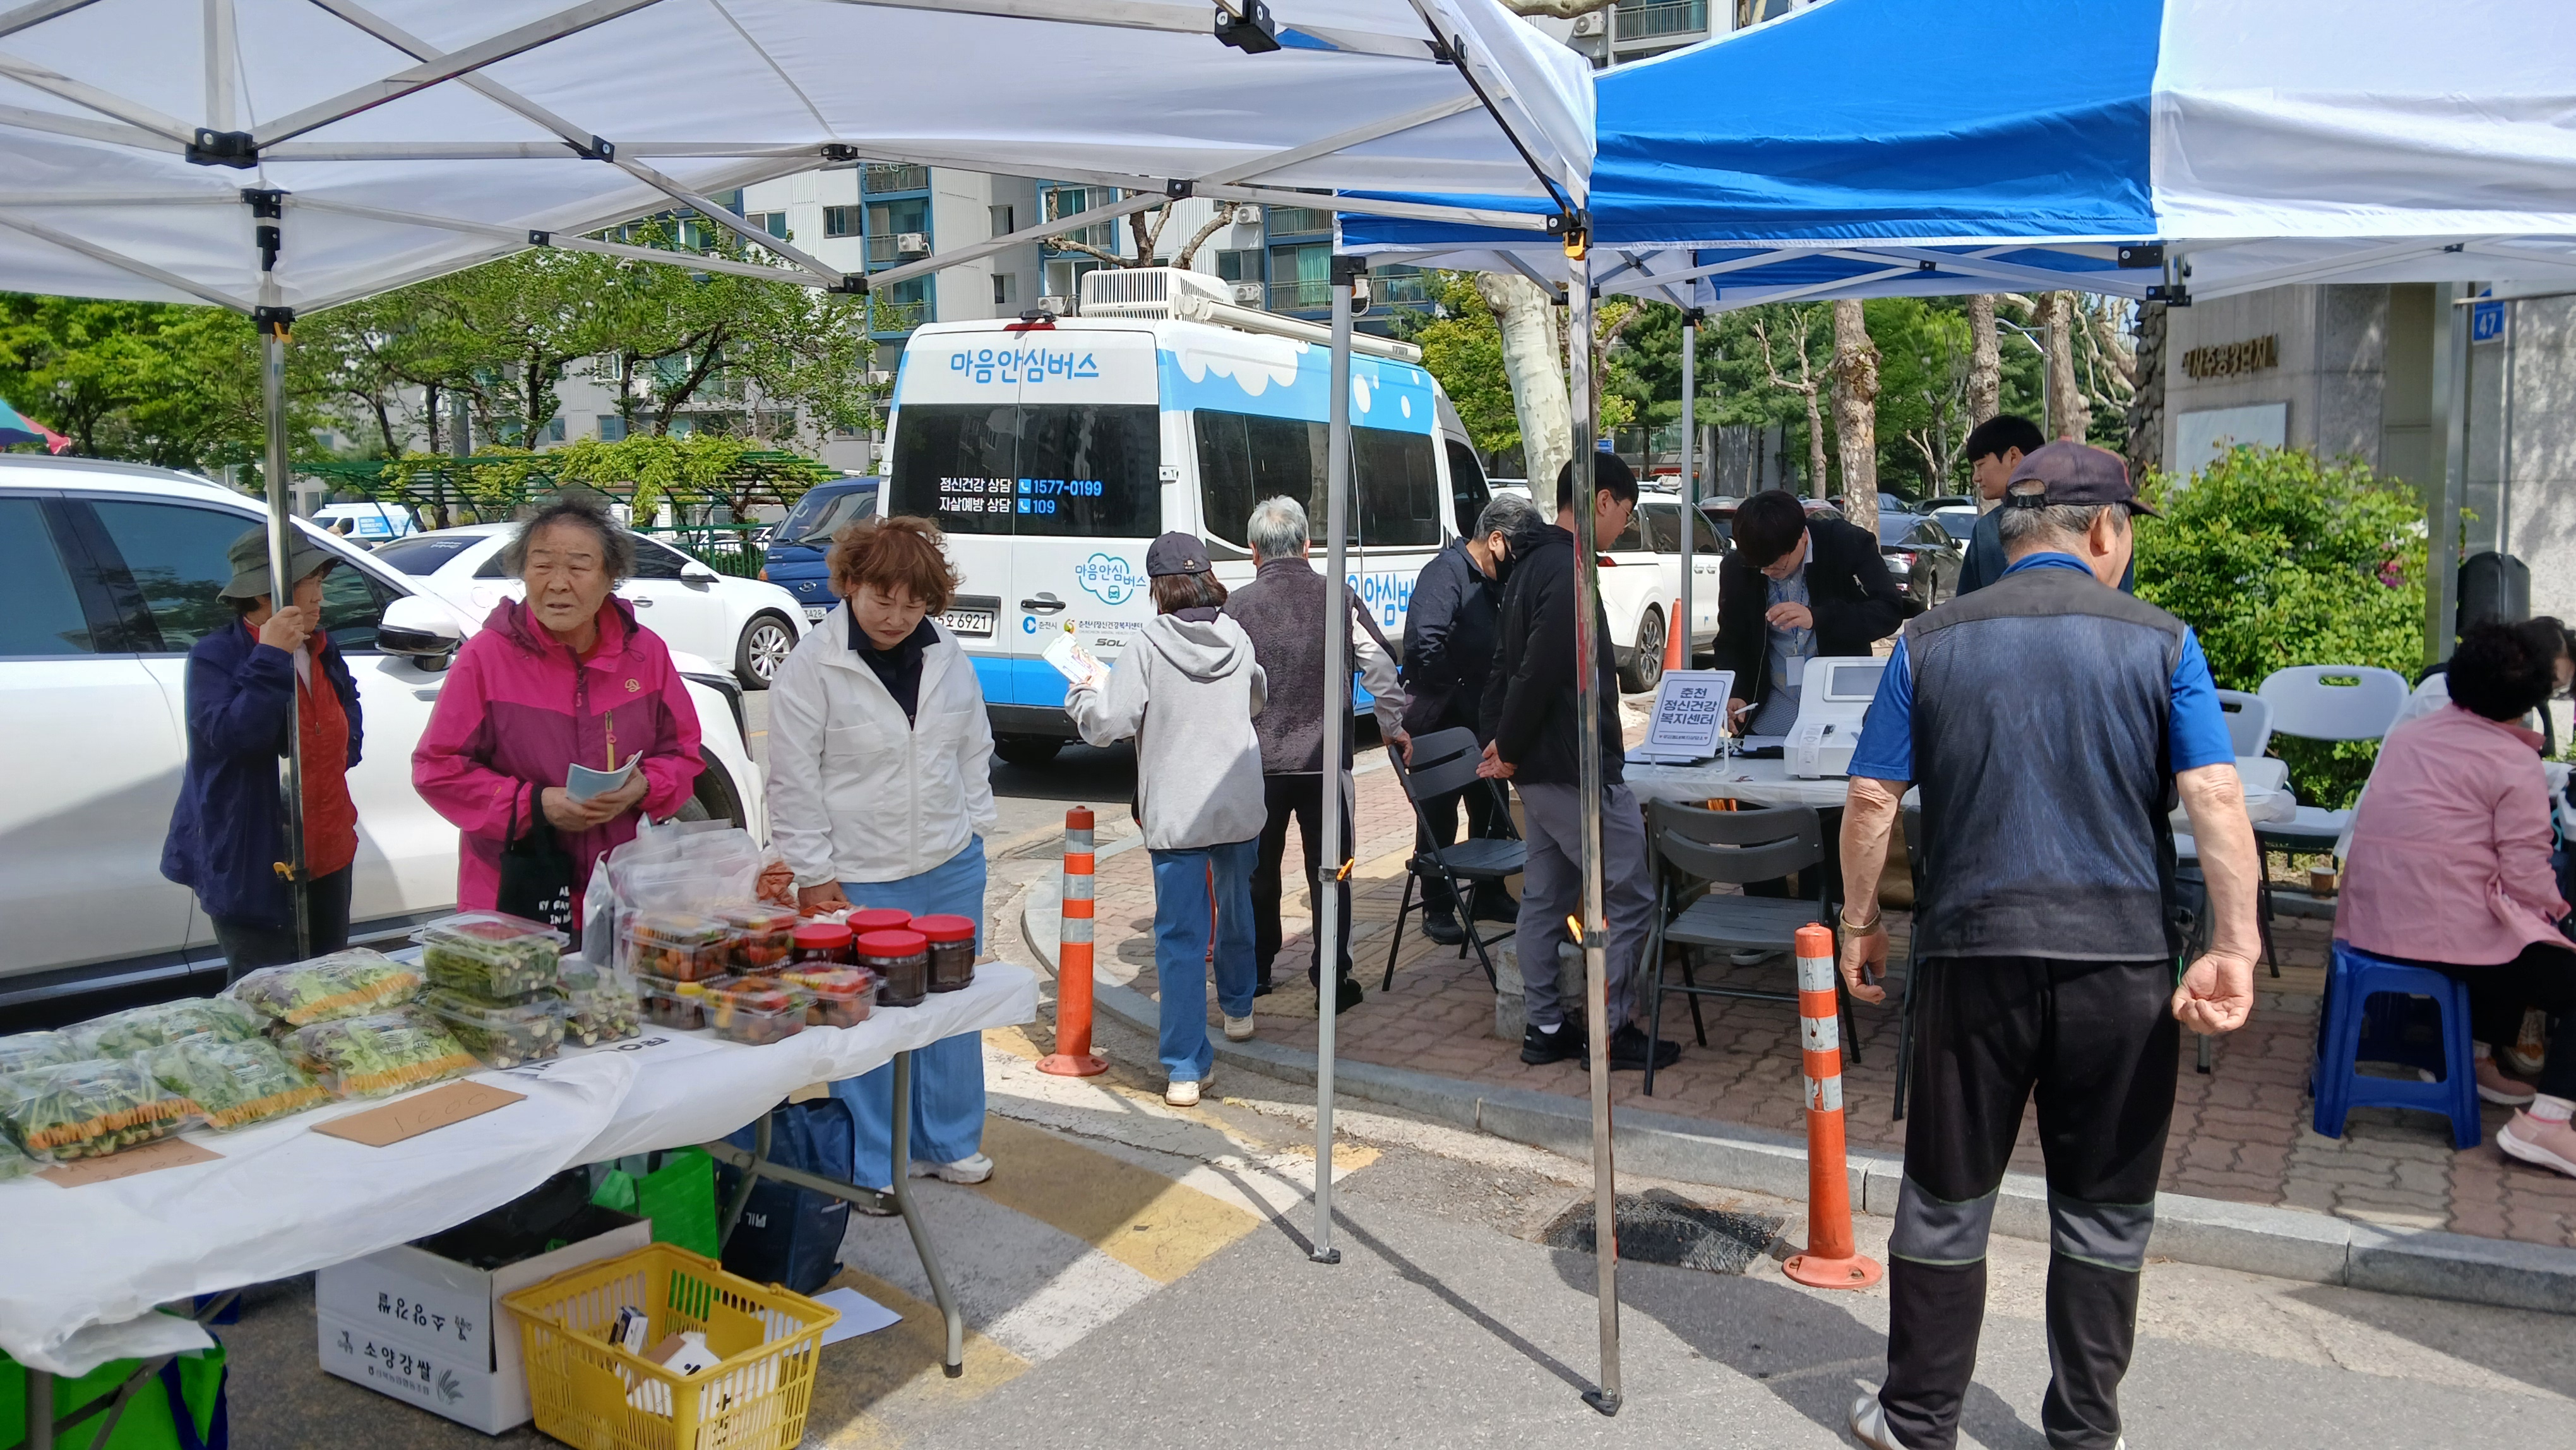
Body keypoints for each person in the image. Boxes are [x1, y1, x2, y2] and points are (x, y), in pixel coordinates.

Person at [1833, 441, 2261, 1450]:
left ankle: (1918, 1420)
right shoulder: (2164, 643)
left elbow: (1870, 798)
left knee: (1945, 1202)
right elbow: (2214, 793)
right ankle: (2083, 1432)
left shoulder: (1928, 640)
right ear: (2106, 529)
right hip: (2121, 965)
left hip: (1972, 957)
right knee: (2105, 1212)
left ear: (2009, 529)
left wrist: (1862, 921)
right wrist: (2235, 943)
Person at [769, 515, 1001, 1189]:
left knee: (950, 1012)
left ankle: (948, 1140)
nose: (896, 617)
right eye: (882, 599)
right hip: (860, 877)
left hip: (949, 863)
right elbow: (792, 780)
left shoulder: (947, 653)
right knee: (863, 1022)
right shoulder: (812, 665)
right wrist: (814, 873)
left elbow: (973, 747)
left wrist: (978, 829)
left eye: (914, 603)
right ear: (849, 584)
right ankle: (871, 1160)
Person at [2337, 619, 2576, 1178]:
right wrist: (2561, 914)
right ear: (2532, 699)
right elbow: (2526, 873)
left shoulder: (2411, 737)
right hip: (2442, 937)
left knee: (2513, 927)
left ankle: (2468, 1058)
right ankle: (2549, 1120)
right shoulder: (2514, 761)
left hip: (2369, 923)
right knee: (2534, 937)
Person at [414, 494, 703, 925]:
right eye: (542, 565)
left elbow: (683, 753)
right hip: (513, 896)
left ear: (610, 578)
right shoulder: (486, 658)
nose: (558, 583)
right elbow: (438, 769)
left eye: (579, 567)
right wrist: (535, 804)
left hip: (623, 891)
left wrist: (644, 787)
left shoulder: (645, 653)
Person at [1479, 454, 1679, 1072]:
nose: (1625, 524)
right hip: (1573, 765)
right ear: (1602, 501)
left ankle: (1544, 1025)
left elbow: (1505, 664)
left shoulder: (1530, 562)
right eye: (1627, 511)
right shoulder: (1567, 568)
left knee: (1547, 895)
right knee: (1631, 893)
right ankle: (1610, 1029)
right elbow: (1539, 670)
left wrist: (1501, 741)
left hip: (1543, 766)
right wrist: (1507, 745)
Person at [1066, 532, 1268, 1107]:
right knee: (1237, 907)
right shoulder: (1237, 636)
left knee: (1180, 938)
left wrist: (1081, 695)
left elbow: (1110, 723)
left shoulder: (1148, 645)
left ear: (1159, 587)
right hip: (1237, 801)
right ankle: (1238, 1009)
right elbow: (1257, 699)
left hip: (1179, 810)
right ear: (1207, 578)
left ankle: (1185, 1067)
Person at [1223, 496, 1408, 1010]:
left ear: (1254, 551)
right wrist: (1391, 725)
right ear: (1307, 546)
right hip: (1325, 762)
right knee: (1332, 871)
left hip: (1257, 764)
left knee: (1259, 872)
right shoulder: (1339, 598)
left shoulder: (1236, 608)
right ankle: (1331, 977)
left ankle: (1258, 971)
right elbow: (1380, 665)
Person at [161, 527, 363, 973]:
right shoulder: (216, 656)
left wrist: (339, 753)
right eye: (307, 583)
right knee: (264, 990)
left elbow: (347, 707)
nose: (319, 597)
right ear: (262, 593)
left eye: (320, 582)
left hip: (326, 847)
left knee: (329, 982)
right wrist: (271, 656)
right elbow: (237, 737)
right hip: (250, 855)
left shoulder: (322, 646)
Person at [1402, 491, 1542, 944]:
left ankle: (1489, 893)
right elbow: (1424, 643)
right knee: (1439, 817)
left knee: (1491, 808)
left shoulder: (1499, 581)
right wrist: (1462, 694)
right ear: (1496, 540)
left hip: (1484, 720)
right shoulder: (1445, 573)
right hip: (1444, 718)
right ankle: (1439, 905)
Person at [1713, 489, 1907, 736]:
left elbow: (1889, 611)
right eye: (1762, 568)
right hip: (1769, 710)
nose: (1769, 573)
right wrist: (1735, 692)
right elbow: (1730, 641)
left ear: (1803, 537)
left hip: (1839, 703)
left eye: (1778, 566)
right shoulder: (1738, 568)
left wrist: (1817, 617)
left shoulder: (1846, 544)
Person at [1955, 415, 2134, 596]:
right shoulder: (2107, 521)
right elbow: (2123, 600)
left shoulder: (1987, 529)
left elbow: (1967, 602)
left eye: (1981, 465)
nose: (1976, 477)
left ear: (2013, 456)